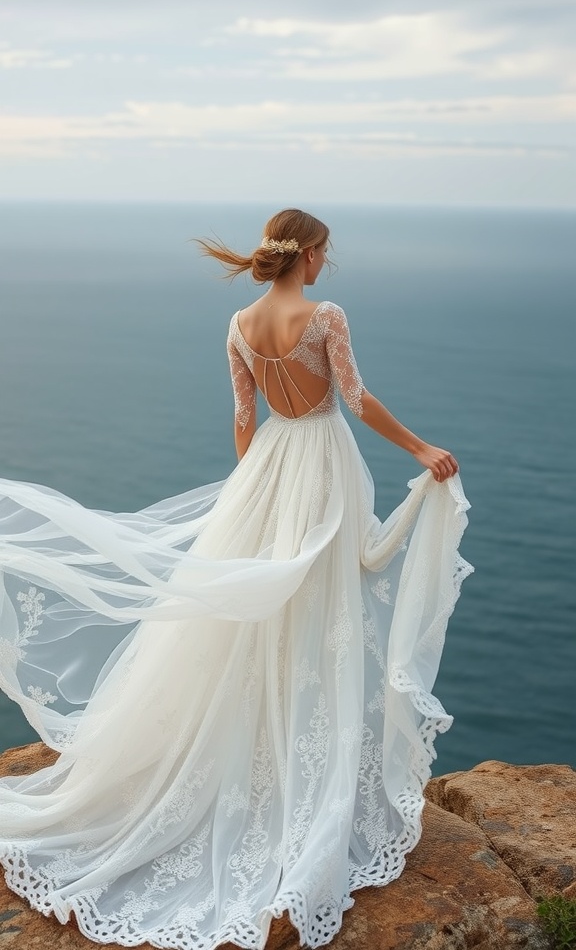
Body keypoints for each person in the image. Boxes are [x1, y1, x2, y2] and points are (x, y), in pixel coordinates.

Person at [0, 208, 472, 950]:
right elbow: (355, 399)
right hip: (321, 469)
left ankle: (259, 753)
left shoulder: (239, 322)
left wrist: (253, 489)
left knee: (255, 616)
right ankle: (299, 768)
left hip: (269, 471)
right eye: (324, 253)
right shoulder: (326, 316)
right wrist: (420, 447)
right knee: (319, 613)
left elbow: (243, 415)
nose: (326, 266)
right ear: (307, 254)